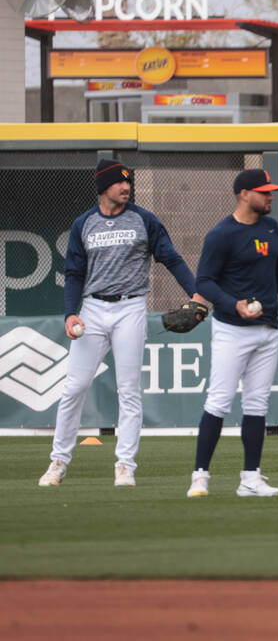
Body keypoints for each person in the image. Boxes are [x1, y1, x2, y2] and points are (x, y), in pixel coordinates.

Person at [39, 159, 204, 488]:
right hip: (93, 309)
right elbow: (74, 274)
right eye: (119, 183)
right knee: (75, 386)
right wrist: (71, 312)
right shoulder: (83, 224)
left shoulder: (144, 219)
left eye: (128, 182)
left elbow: (170, 257)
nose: (126, 187)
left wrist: (196, 294)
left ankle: (125, 466)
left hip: (130, 307)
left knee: (129, 390)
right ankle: (57, 462)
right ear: (103, 187)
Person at [187, 169, 278, 498]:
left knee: (257, 404)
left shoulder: (271, 228)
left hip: (268, 327)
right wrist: (233, 304)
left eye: (272, 192)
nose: (271, 197)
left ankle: (250, 478)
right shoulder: (221, 234)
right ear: (244, 194)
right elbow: (204, 282)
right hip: (232, 329)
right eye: (264, 192)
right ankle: (200, 476)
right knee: (219, 400)